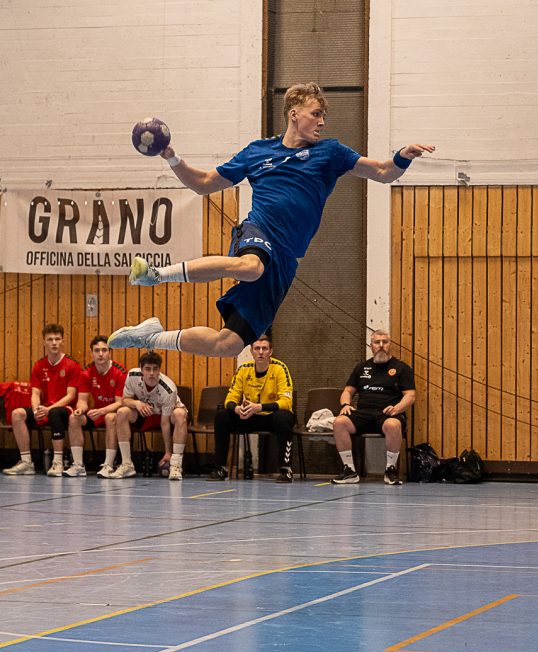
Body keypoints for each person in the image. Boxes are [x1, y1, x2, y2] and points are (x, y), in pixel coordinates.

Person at [108, 82, 435, 358]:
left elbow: (382, 172)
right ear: (294, 114)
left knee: (228, 345)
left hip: (285, 260)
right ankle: (156, 274)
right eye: (316, 114)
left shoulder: (330, 153)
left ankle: (151, 337)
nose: (322, 122)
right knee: (251, 267)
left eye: (323, 116)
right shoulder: (257, 152)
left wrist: (402, 156)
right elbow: (204, 183)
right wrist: (171, 156)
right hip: (259, 231)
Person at [332, 329, 415, 485]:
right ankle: (349, 471)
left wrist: (397, 408)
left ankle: (390, 470)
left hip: (387, 414)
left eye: (385, 342)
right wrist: (345, 404)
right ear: (371, 346)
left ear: (390, 345)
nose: (381, 345)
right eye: (377, 342)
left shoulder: (402, 368)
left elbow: (410, 396)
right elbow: (347, 391)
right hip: (363, 413)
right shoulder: (361, 368)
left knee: (393, 425)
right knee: (339, 422)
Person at [209, 335, 295, 483]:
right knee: (222, 415)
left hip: (271, 417)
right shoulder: (243, 369)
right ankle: (220, 468)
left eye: (264, 348)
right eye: (257, 348)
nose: (261, 352)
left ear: (270, 351)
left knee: (284, 417)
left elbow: (287, 402)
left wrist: (259, 407)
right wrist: (237, 409)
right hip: (249, 416)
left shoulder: (280, 368)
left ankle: (285, 469)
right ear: (251, 351)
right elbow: (230, 399)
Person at [2, 324, 81, 476]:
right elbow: (35, 393)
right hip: (45, 408)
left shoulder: (72, 365)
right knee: (17, 414)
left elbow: (71, 396)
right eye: (50, 339)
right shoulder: (39, 365)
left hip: (66, 410)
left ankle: (57, 462)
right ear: (44, 342)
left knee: (55, 413)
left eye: (57, 339)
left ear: (63, 341)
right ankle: (26, 462)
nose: (54, 343)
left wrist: (49, 409)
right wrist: (36, 410)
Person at [110, 352, 188, 480]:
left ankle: (176, 465)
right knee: (122, 412)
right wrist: (137, 403)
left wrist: (168, 452)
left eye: (155, 369)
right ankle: (127, 464)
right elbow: (125, 400)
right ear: (141, 369)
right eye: (147, 369)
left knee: (180, 414)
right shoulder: (132, 375)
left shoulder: (169, 389)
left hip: (167, 416)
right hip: (146, 413)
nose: (151, 373)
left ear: (159, 370)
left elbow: (165, 423)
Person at [66, 335, 127, 478]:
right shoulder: (86, 372)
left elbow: (120, 402)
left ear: (110, 352)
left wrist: (102, 411)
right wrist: (80, 409)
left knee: (110, 417)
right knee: (73, 418)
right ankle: (78, 465)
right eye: (97, 350)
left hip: (116, 414)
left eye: (104, 350)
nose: (100, 354)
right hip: (98, 413)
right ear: (91, 352)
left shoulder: (120, 372)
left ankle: (108, 465)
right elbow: (82, 400)